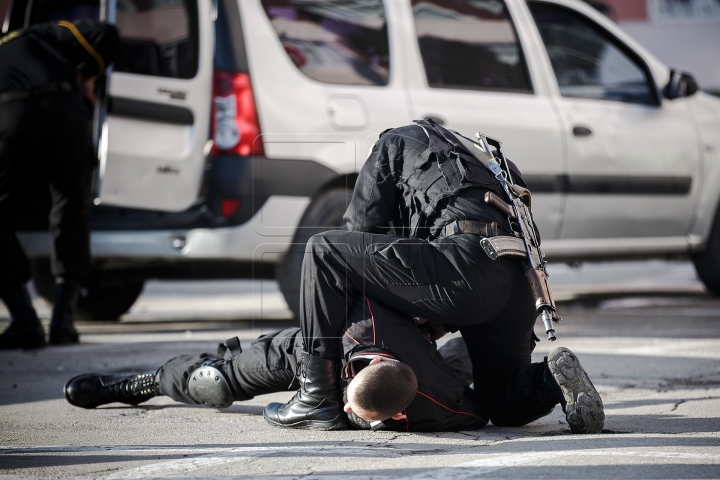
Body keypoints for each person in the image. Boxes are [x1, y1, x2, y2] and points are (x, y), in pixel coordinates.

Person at [262, 119, 605, 434]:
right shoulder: (488, 162)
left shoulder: (393, 142)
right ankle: (549, 380)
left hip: (465, 266)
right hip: (518, 285)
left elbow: (361, 232)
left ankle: (316, 398)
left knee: (325, 251)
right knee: (501, 401)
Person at [63, 295, 488, 432]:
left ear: (399, 413)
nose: (342, 410)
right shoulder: (361, 319)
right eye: (348, 405)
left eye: (355, 414)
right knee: (214, 381)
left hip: (416, 361)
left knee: (465, 359)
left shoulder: (445, 404)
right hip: (304, 355)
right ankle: (146, 383)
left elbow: (481, 407)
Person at [0, 20, 119, 348]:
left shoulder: (20, 39)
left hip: (12, 114)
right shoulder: (38, 33)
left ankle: (24, 321)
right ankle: (63, 323)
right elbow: (106, 33)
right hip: (66, 113)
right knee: (71, 208)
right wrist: (88, 78)